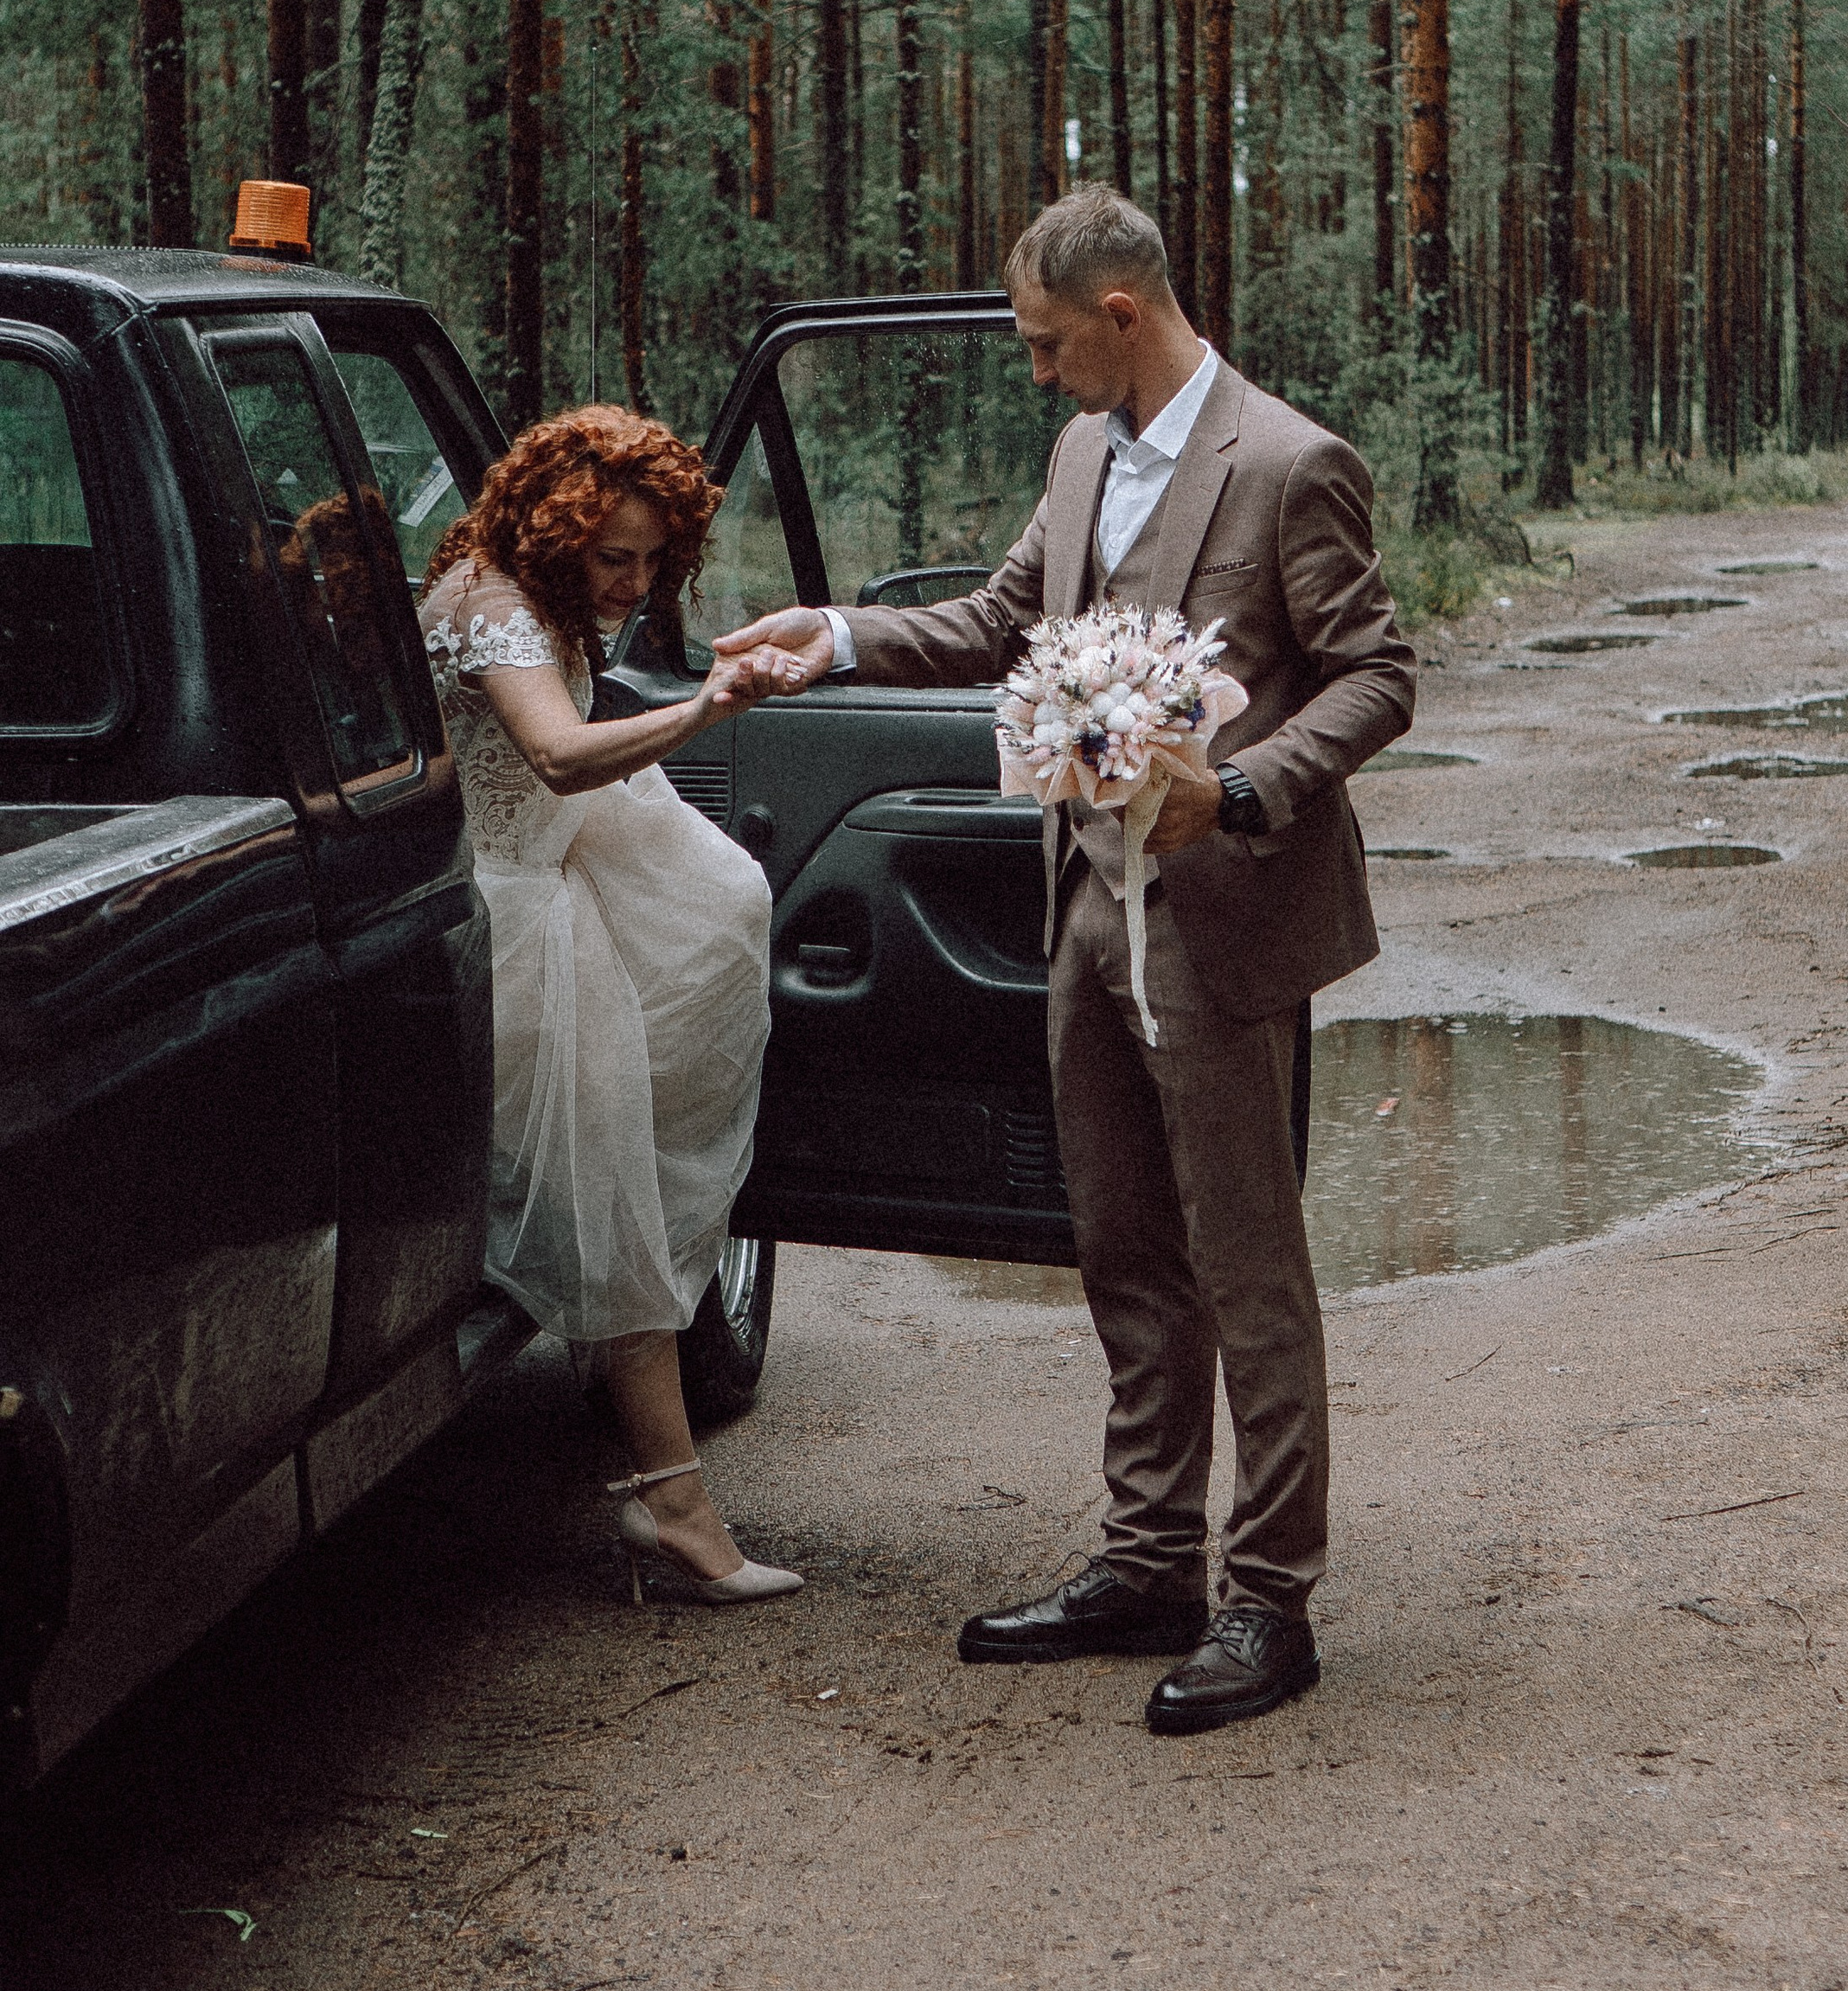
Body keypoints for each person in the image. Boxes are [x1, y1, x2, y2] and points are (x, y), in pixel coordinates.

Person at [725, 188, 1416, 1731]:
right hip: (1086, 907)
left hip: (1222, 916)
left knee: (1246, 1263)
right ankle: (1149, 1562)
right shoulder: (1082, 452)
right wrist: (829, 639)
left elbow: (1376, 675)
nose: (1036, 371)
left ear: (1120, 312)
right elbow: (999, 619)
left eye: (1048, 343)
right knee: (1121, 1245)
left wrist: (1243, 791)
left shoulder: (1288, 464)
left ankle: (1271, 1600)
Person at [419, 407, 809, 1608]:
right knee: (609, 1188)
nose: (635, 585)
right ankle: (672, 1504)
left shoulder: (527, 594)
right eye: (614, 558)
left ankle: (658, 1476)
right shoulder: (489, 599)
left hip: (548, 883)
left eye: (653, 560)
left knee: (618, 1171)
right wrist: (706, 709)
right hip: (509, 921)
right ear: (552, 533)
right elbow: (553, 755)